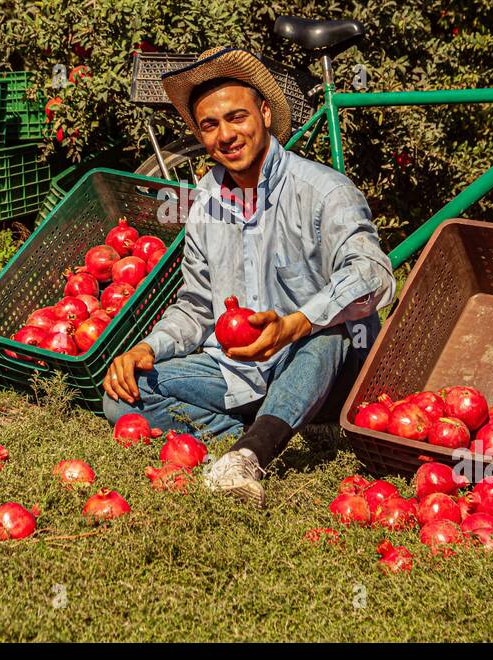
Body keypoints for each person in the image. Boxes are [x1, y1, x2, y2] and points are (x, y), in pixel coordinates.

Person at [101, 46, 394, 507]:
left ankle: (250, 453)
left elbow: (373, 273)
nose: (226, 135)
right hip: (239, 371)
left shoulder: (323, 190)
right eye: (209, 126)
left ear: (264, 112)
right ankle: (271, 428)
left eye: (236, 117)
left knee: (329, 330)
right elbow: (197, 305)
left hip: (325, 366)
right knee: (123, 397)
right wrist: (147, 348)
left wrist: (295, 323)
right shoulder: (205, 200)